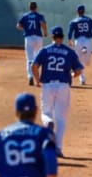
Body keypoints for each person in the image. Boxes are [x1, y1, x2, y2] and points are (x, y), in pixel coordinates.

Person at [32, 26, 84, 158]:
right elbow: (78, 71)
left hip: (48, 85)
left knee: (46, 113)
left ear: (52, 37)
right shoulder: (69, 52)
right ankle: (58, 148)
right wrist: (72, 75)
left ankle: (48, 122)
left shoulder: (45, 50)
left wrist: (37, 80)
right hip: (63, 86)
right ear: (62, 37)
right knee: (61, 118)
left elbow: (34, 65)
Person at [16, 1, 48, 86]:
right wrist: (45, 31)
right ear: (36, 7)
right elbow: (42, 23)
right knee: (38, 58)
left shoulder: (25, 16)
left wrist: (25, 27)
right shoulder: (39, 16)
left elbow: (18, 26)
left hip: (29, 38)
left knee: (29, 59)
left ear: (29, 7)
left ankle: (30, 76)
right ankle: (38, 76)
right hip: (38, 38)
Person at [67, 4, 92, 85]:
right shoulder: (89, 20)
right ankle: (82, 78)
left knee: (78, 60)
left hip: (78, 41)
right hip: (87, 40)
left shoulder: (74, 21)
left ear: (77, 12)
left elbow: (70, 32)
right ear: (84, 11)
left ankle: (81, 76)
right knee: (87, 61)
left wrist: (69, 39)